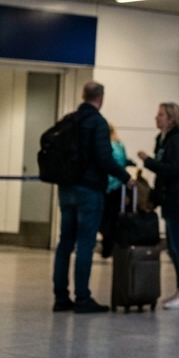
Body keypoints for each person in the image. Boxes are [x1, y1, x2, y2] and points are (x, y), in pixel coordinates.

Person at [52, 81, 131, 313]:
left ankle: (60, 297)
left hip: (66, 189)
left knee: (65, 243)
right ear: (101, 97)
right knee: (85, 243)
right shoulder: (98, 122)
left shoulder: (68, 120)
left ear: (83, 95)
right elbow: (105, 159)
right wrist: (126, 177)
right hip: (89, 190)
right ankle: (83, 298)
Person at [139, 103, 179, 309]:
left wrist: (148, 161)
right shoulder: (163, 140)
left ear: (171, 119)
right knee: (173, 247)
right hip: (170, 198)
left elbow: (171, 169)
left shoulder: (177, 141)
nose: (157, 118)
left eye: (161, 115)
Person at [99, 123, 134, 259]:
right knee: (113, 218)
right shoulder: (119, 145)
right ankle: (111, 246)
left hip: (104, 186)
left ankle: (106, 246)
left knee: (103, 219)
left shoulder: (103, 146)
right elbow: (124, 162)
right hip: (118, 186)